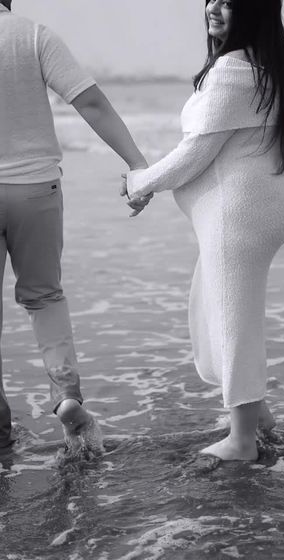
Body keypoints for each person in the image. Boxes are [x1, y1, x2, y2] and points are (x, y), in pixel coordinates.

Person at [123, 0, 284, 461]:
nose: (214, 8)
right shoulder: (268, 66)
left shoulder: (231, 71)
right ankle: (258, 415)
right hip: (259, 206)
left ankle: (242, 441)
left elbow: (194, 154)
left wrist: (140, 182)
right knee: (215, 308)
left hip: (239, 214)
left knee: (231, 320)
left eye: (230, 2)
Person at [0, 1, 151, 454]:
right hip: (36, 189)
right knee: (44, 297)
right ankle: (66, 395)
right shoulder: (34, 35)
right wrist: (138, 165)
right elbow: (90, 102)